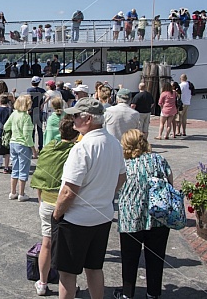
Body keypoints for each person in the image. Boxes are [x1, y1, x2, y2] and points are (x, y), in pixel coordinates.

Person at [52, 97, 126, 299]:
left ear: (87, 119)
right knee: (94, 267)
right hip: (102, 215)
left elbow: (69, 191)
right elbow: (122, 176)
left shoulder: (82, 148)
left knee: (67, 273)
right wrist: (106, 194)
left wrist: (57, 214)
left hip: (77, 219)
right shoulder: (114, 143)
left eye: (76, 116)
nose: (73, 119)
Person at [114, 130, 172, 299]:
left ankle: (127, 294)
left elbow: (115, 188)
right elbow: (170, 183)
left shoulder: (123, 164)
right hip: (158, 215)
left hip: (131, 217)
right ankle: (153, 293)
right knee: (156, 257)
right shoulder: (159, 159)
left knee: (129, 257)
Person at [30, 116, 79, 296]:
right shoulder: (76, 151)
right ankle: (68, 286)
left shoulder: (49, 148)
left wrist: (40, 199)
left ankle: (42, 283)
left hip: (47, 200)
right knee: (68, 248)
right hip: (67, 203)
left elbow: (40, 174)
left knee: (46, 244)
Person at [3, 95, 37, 202]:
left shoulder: (14, 114)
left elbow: (5, 127)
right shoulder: (26, 117)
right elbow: (27, 136)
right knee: (23, 170)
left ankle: (13, 192)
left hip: (13, 143)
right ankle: (21, 194)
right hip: (23, 145)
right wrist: (33, 149)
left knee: (15, 168)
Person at [27, 76, 46, 153]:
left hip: (32, 111)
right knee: (40, 130)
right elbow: (48, 96)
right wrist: (42, 104)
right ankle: (40, 147)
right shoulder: (42, 90)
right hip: (39, 110)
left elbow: (29, 99)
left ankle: (32, 147)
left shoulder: (29, 90)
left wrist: (29, 108)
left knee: (32, 130)